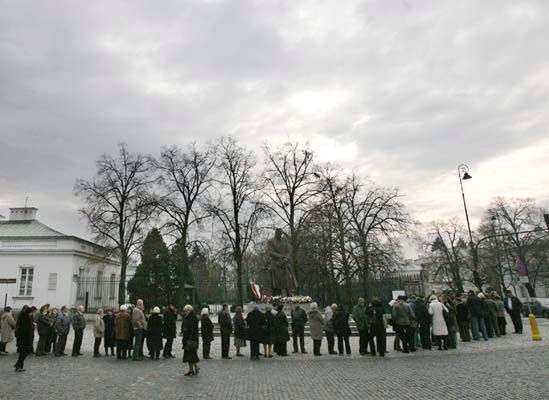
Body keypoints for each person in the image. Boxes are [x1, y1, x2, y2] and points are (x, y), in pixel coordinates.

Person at [14, 306, 34, 372]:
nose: (31, 314)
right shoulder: (25, 318)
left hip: (24, 339)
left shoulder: (25, 317)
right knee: (24, 352)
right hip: (24, 339)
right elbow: (25, 330)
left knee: (23, 353)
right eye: (31, 313)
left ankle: (18, 366)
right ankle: (18, 365)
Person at [182, 305, 200, 377]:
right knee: (189, 355)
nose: (185, 312)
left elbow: (190, 329)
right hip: (190, 339)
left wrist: (185, 330)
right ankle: (191, 369)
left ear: (189, 310)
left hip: (191, 339)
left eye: (185, 311)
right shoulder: (189, 317)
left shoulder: (192, 318)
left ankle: (194, 368)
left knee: (191, 354)